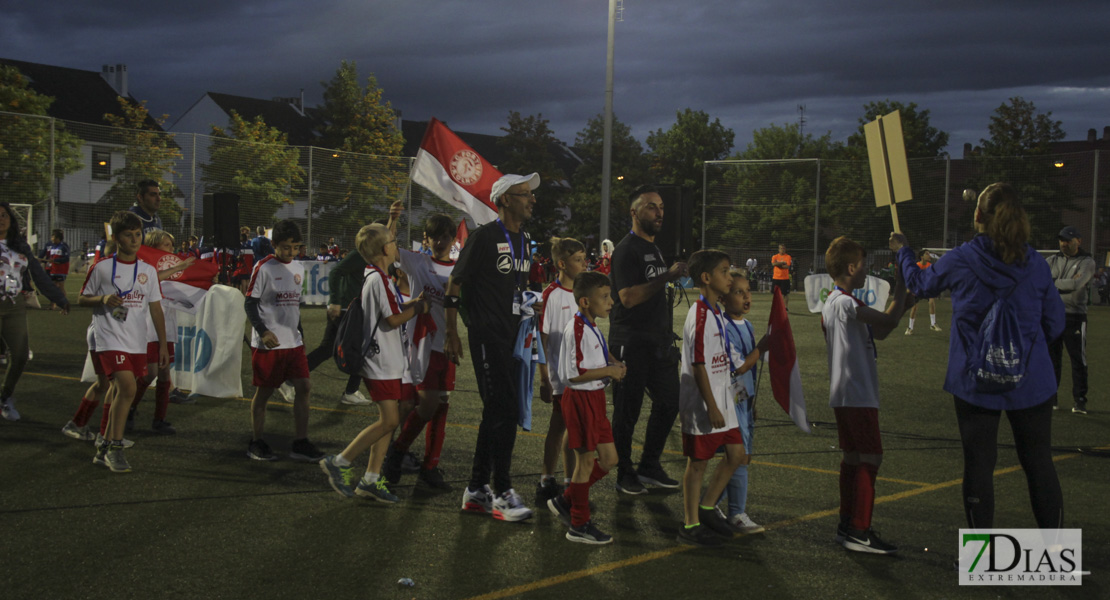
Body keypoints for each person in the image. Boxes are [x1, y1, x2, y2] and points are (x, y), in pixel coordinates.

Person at [893, 182, 1065, 534]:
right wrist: (1022, 352)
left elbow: (921, 285)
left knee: (979, 466)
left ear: (978, 216)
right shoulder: (1037, 264)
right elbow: (1056, 323)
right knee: (1039, 463)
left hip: (975, 379)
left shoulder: (962, 259)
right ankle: (1055, 555)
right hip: (1031, 381)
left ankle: (981, 555)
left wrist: (903, 251)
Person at [444, 172, 540, 522]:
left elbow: (517, 288)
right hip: (488, 336)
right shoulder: (484, 237)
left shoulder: (526, 240)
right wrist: (452, 333)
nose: (532, 200)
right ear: (504, 200)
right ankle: (501, 492)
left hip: (515, 338)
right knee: (504, 411)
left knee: (498, 413)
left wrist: (531, 303)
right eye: (524, 194)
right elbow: (454, 284)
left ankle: (476, 489)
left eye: (531, 194)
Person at [319, 223, 428, 500]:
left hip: (388, 361)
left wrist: (411, 302)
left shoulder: (380, 276)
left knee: (388, 421)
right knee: (390, 421)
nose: (396, 244)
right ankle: (340, 461)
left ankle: (370, 478)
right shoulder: (378, 279)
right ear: (384, 249)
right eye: (393, 240)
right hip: (380, 361)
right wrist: (417, 308)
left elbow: (389, 311)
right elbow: (392, 321)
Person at [823, 236, 907, 554]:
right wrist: (900, 287)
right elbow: (887, 320)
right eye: (863, 266)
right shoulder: (845, 302)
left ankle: (848, 525)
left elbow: (882, 330)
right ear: (851, 267)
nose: (866, 272)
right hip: (857, 392)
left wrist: (904, 297)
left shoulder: (835, 302)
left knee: (854, 458)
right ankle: (859, 530)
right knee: (871, 457)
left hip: (845, 393)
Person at [608, 184, 687, 495]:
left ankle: (649, 465)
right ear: (634, 212)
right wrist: (666, 276)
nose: (659, 213)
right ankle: (624, 471)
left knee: (670, 401)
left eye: (661, 208)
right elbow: (627, 297)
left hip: (657, 342)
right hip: (631, 341)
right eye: (652, 207)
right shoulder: (626, 249)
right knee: (628, 410)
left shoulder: (653, 248)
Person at [78, 211, 168, 472]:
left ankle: (104, 445)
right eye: (128, 234)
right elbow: (83, 299)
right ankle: (114, 448)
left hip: (136, 341)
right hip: (109, 337)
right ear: (116, 238)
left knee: (121, 390)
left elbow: (155, 309)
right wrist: (103, 299)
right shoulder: (102, 267)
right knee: (127, 388)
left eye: (138, 234)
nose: (135, 239)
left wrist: (161, 345)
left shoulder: (148, 271)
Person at [545, 270, 625, 544]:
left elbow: (598, 356)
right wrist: (610, 372)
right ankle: (578, 524)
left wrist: (613, 364)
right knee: (586, 462)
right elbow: (575, 373)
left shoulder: (589, 324)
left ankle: (568, 500)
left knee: (610, 459)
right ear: (585, 302)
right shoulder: (577, 327)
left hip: (595, 398)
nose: (611, 302)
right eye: (604, 297)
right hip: (580, 400)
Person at [380, 213, 458, 491]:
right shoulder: (417, 262)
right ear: (426, 239)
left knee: (441, 406)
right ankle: (395, 454)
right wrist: (393, 219)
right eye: (434, 236)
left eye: (445, 236)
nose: (440, 241)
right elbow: (386, 248)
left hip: (447, 347)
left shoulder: (459, 270)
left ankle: (429, 467)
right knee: (424, 405)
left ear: (453, 239)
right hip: (421, 344)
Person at [675, 249, 747, 547]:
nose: (729, 277)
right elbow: (699, 365)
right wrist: (713, 406)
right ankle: (690, 524)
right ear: (706, 278)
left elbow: (726, 362)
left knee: (736, 455)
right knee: (698, 464)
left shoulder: (716, 310)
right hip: (704, 405)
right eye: (725, 271)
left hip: (722, 398)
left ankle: (707, 507)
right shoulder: (701, 315)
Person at [243, 220, 324, 463]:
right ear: (274, 245)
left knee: (304, 386)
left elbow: (293, 308)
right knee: (265, 392)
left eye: (296, 247)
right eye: (286, 247)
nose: (291, 252)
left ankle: (300, 442)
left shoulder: (299, 267)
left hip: (293, 344)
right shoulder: (264, 267)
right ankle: (256, 441)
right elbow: (249, 303)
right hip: (270, 344)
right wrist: (264, 331)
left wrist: (300, 337)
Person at [0, 204, 70, 422]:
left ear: (11, 219)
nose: (0, 219)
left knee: (20, 356)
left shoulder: (20, 246)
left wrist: (59, 298)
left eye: (4, 215)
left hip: (14, 306)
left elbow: (38, 275)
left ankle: (5, 397)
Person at [124, 229, 195, 435]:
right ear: (153, 248)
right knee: (151, 372)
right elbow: (152, 279)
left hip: (166, 326)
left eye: (172, 246)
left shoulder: (174, 269)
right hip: (148, 326)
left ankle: (159, 419)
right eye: (166, 245)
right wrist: (180, 267)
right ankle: (130, 407)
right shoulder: (144, 267)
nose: (171, 250)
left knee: (165, 373)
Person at [715, 268, 769, 533]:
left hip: (741, 401)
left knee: (739, 457)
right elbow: (739, 368)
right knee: (739, 457)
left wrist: (750, 403)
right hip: (729, 402)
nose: (747, 297)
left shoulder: (746, 325)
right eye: (738, 292)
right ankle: (736, 514)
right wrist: (764, 346)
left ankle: (710, 502)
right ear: (724, 298)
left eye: (748, 291)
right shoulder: (723, 328)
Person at [535, 236, 588, 504]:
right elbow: (541, 340)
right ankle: (547, 481)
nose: (584, 264)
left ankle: (567, 484)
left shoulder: (581, 294)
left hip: (580, 376)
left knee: (571, 429)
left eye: (584, 258)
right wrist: (544, 378)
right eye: (578, 260)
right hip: (560, 377)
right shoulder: (551, 296)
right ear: (561, 264)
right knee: (561, 428)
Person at [1046, 225, 1095, 414]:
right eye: (1061, 240)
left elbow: (1077, 283)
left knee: (1077, 360)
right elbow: (1043, 281)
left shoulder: (1087, 261)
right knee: (1052, 359)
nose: (1063, 244)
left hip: (1075, 317)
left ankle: (1080, 400)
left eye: (1068, 240)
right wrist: (1061, 283)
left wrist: (1054, 282)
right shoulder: (1052, 260)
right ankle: (1052, 397)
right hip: (1053, 315)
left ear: (1078, 241)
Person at [905, 250, 941, 334]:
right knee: (914, 308)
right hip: (918, 289)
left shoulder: (930, 266)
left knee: (931, 302)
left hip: (927, 288)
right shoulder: (916, 266)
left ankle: (933, 324)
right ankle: (910, 328)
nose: (929, 256)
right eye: (927, 254)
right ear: (922, 257)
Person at [39, 229, 70, 309]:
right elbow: (47, 255)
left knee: (60, 287)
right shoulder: (52, 246)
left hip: (61, 271)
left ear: (58, 238)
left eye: (53, 237)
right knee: (53, 287)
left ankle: (64, 304)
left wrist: (55, 260)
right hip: (53, 270)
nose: (52, 238)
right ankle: (53, 305)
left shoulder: (63, 246)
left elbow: (66, 259)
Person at [771, 244, 792, 311]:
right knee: (775, 294)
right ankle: (776, 306)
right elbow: (773, 264)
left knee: (785, 294)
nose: (782, 250)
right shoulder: (775, 256)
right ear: (778, 249)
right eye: (781, 248)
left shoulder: (788, 256)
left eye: (783, 248)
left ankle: (786, 307)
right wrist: (782, 263)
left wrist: (778, 264)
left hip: (785, 278)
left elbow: (787, 266)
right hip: (776, 277)